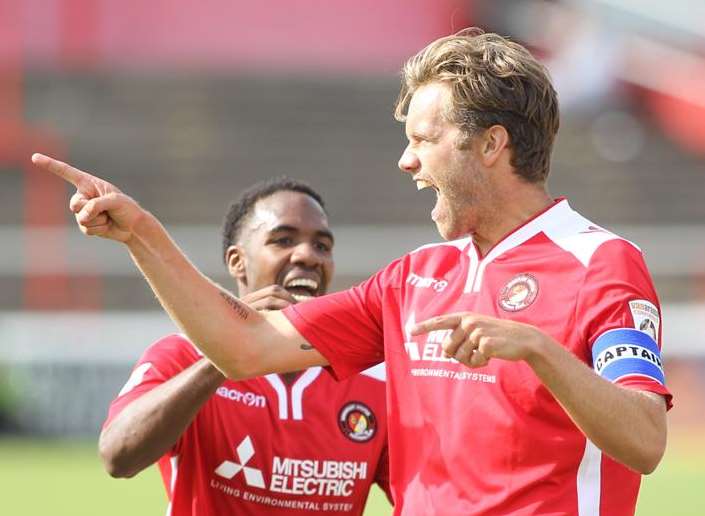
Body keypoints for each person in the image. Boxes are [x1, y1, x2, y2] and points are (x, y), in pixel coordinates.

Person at [34, 28, 671, 515]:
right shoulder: (413, 277)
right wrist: (141, 234)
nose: (405, 160)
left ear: (490, 144)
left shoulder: (601, 264)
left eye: (423, 138)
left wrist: (537, 350)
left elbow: (644, 440)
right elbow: (243, 345)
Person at [97, 178, 390, 515]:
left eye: (322, 246)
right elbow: (118, 456)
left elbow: (427, 495)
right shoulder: (182, 355)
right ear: (237, 261)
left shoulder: (372, 380)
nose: (308, 255)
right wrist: (228, 349)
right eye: (283, 240)